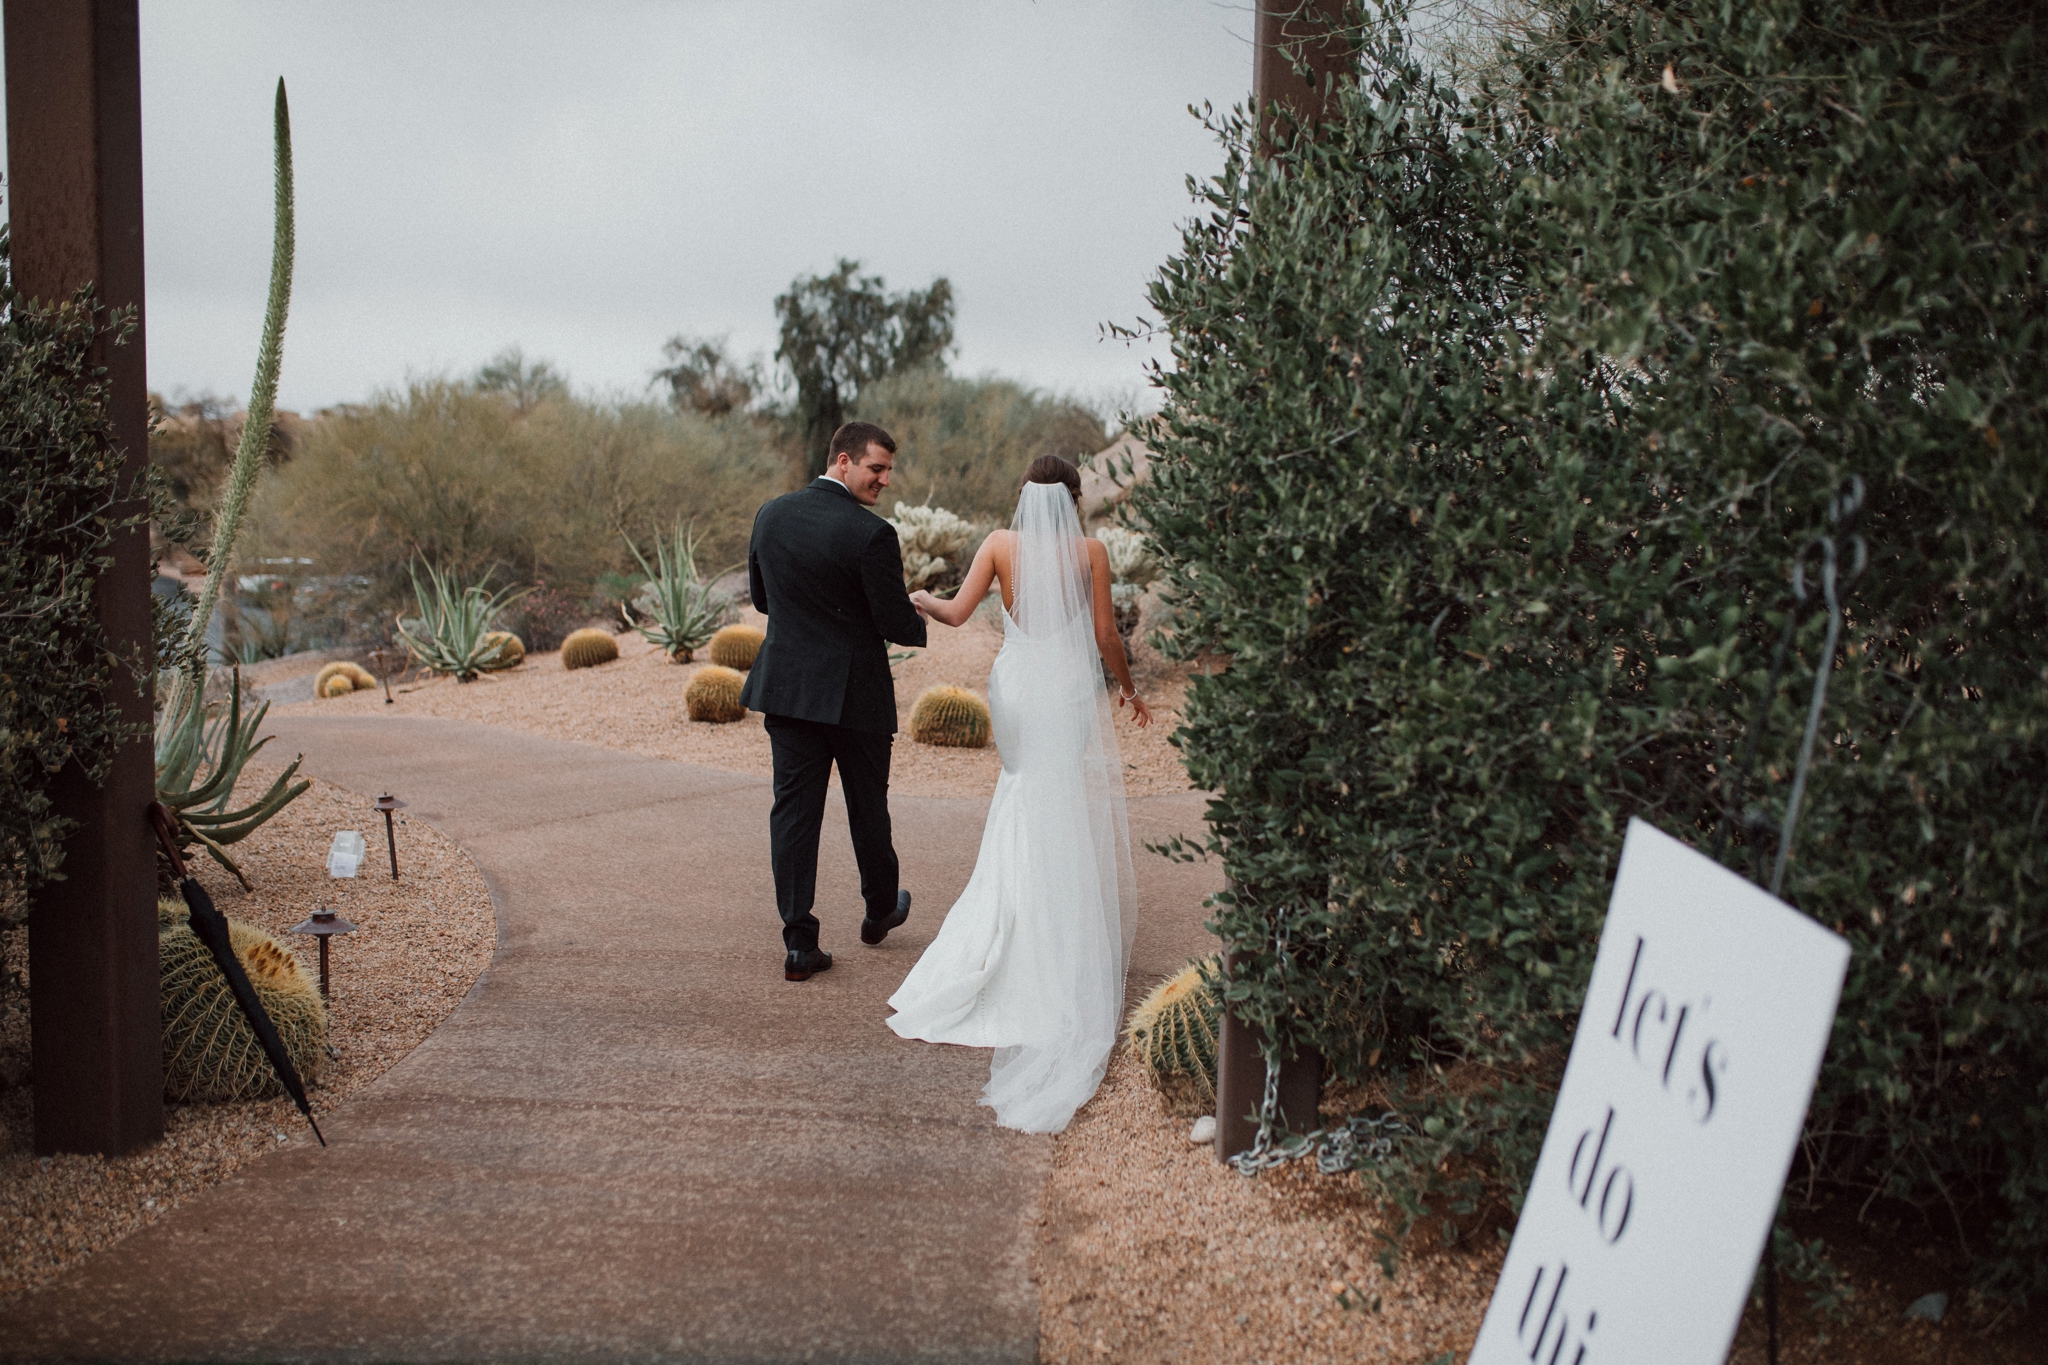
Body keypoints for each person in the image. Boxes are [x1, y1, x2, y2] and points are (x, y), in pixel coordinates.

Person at [885, 455, 1151, 1133]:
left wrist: (919, 598)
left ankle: (1006, 923)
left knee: (1021, 789)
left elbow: (954, 613)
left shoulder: (1001, 544)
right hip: (1064, 689)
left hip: (1017, 685)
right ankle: (1057, 931)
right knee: (1056, 796)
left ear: (1025, 496)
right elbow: (1104, 635)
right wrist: (1128, 689)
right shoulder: (1091, 551)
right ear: (1074, 498)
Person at [740, 421, 927, 982]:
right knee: (867, 805)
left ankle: (800, 945)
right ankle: (879, 909)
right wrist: (917, 611)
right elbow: (896, 623)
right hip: (856, 694)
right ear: (843, 461)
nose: (885, 480)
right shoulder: (873, 534)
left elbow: (763, 600)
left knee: (793, 814)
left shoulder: (771, 515)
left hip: (789, 689)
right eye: (876, 468)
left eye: (888, 470)